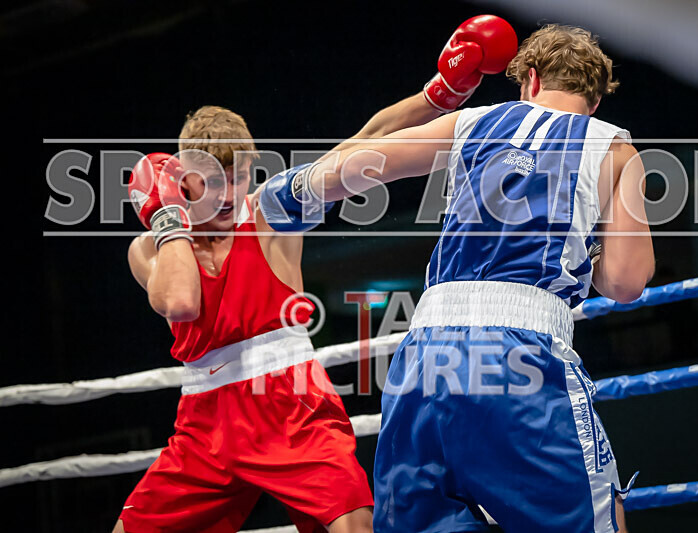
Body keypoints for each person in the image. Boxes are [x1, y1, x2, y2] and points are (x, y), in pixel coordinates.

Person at [115, 15, 518, 533]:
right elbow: (180, 303)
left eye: (240, 176)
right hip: (204, 421)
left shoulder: (269, 211)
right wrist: (168, 218)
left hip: (289, 402)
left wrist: (439, 95)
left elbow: (360, 145)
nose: (231, 193)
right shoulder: (149, 245)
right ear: (183, 180)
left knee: (353, 527)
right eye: (212, 182)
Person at [264, 23, 655, 533]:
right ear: (596, 102)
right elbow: (625, 283)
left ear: (530, 80)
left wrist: (292, 191)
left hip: (425, 358)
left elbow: (369, 164)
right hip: (525, 358)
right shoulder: (614, 150)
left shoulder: (475, 123)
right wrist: (588, 238)